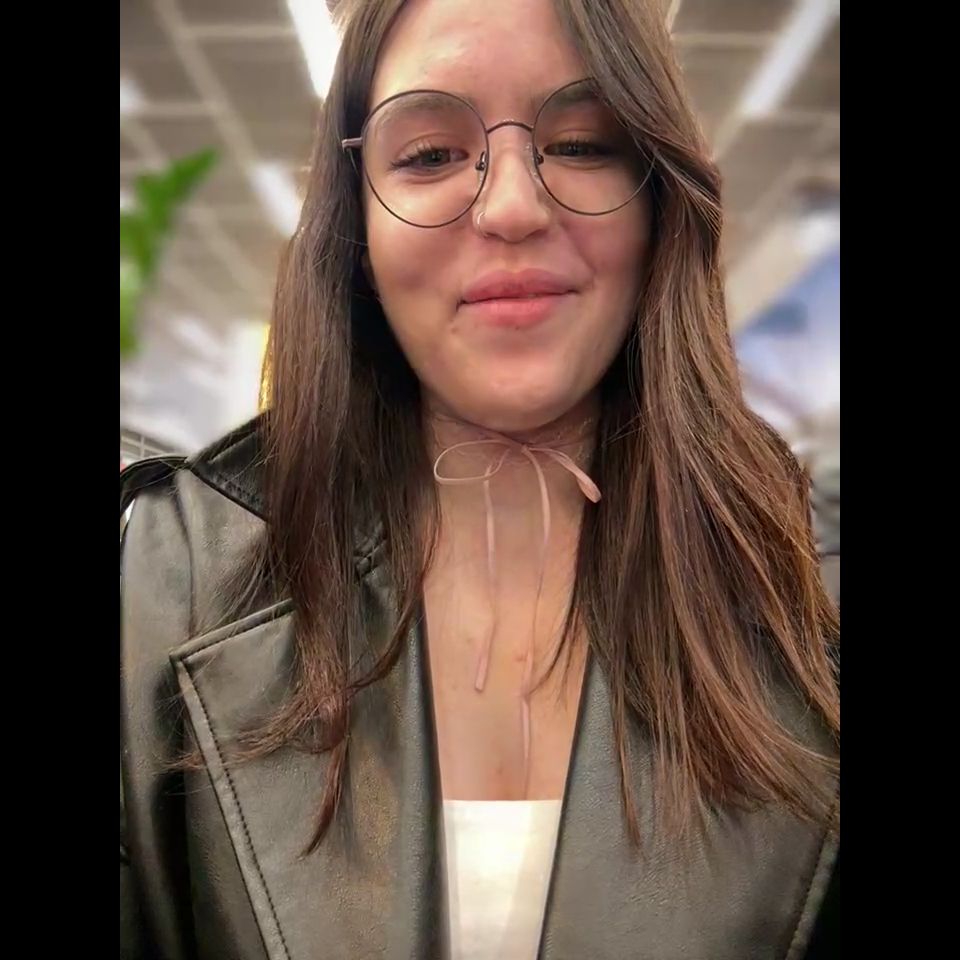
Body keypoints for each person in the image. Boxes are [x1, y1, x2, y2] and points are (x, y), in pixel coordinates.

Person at [119, 1, 840, 957]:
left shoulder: (814, 600)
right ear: (355, 218)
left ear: (661, 193)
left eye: (581, 144)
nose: (511, 207)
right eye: (428, 155)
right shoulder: (165, 580)